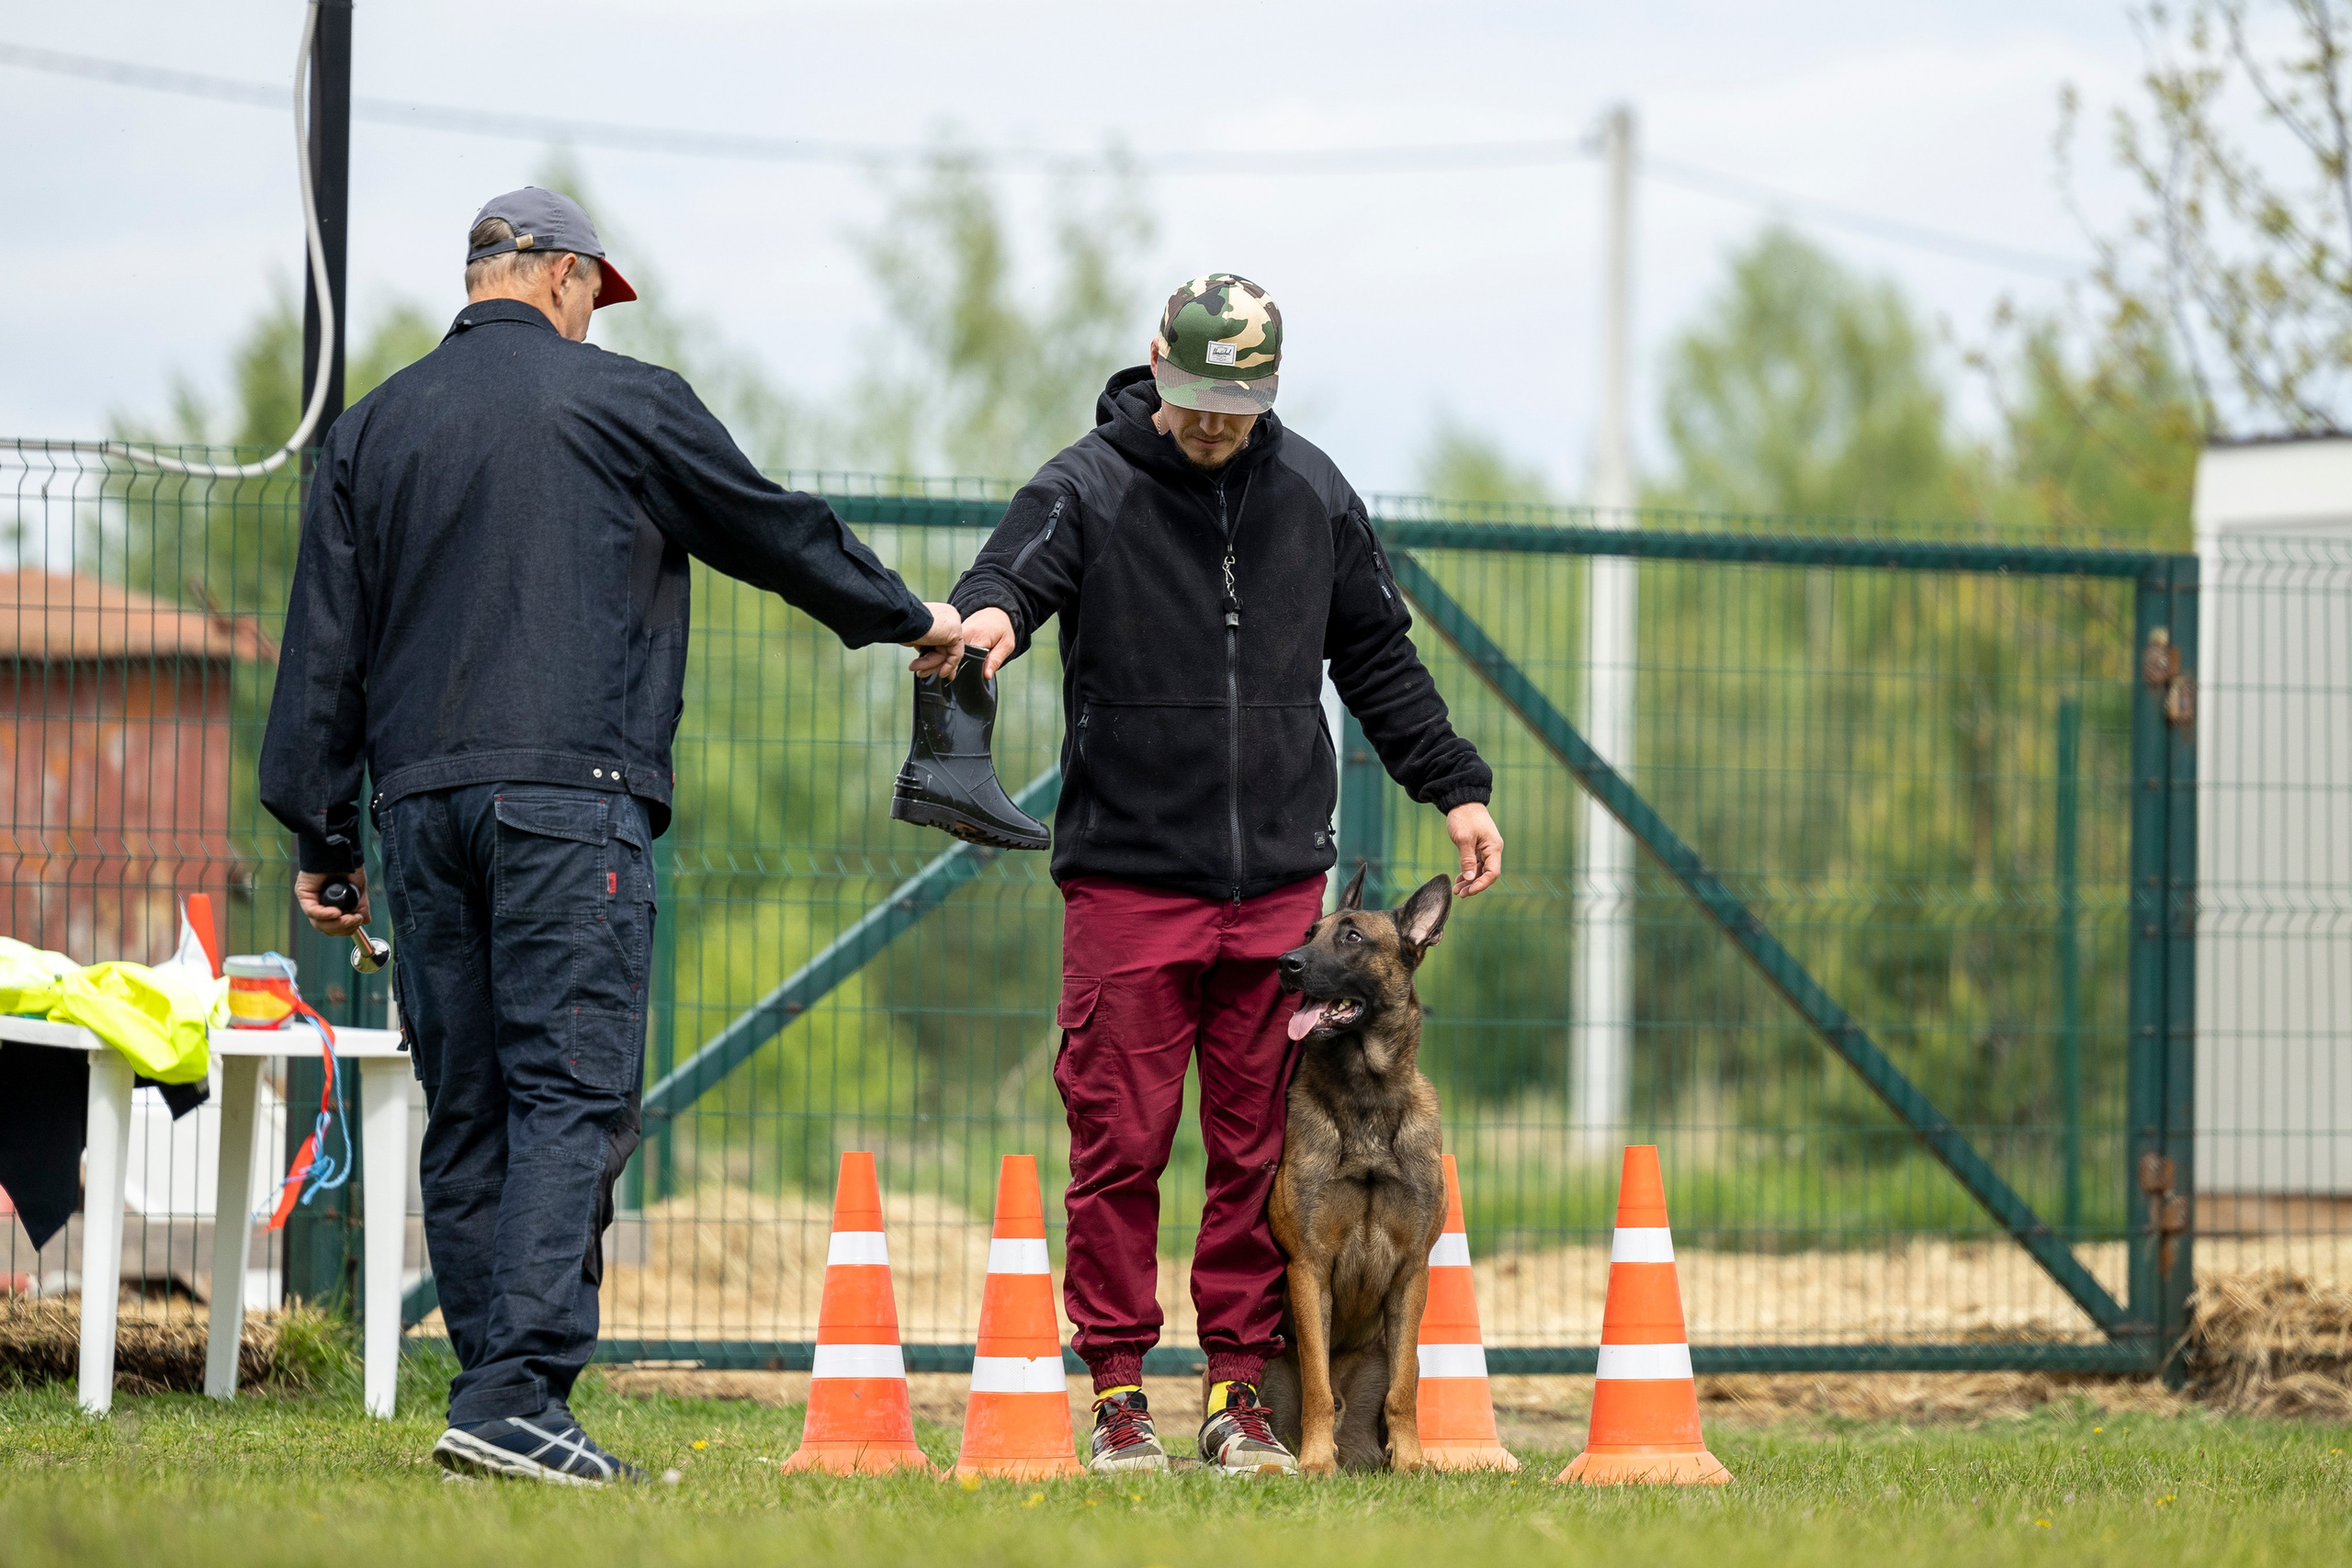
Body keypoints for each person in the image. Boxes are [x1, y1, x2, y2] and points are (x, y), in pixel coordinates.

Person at [259, 188, 962, 1485]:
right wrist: (908, 618)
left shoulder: (370, 432)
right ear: (563, 279)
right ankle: (520, 1395)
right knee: (569, 1092)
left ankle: (491, 1394)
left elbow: (323, 656)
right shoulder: (626, 404)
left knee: (468, 1106)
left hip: (419, 811)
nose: (592, 318)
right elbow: (774, 528)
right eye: (594, 295)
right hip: (568, 805)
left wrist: (323, 835)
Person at [948, 274, 1504, 1476]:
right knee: (1123, 1142)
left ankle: (1240, 1394)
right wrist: (988, 622)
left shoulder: (1311, 493)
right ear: (1157, 361)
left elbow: (1377, 657)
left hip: (1275, 898)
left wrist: (1454, 782)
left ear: (1269, 392)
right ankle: (1115, 1394)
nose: (1210, 426)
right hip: (1130, 880)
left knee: (1262, 1153)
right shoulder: (1086, 485)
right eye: (1195, 400)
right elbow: (1010, 580)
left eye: (1235, 407)